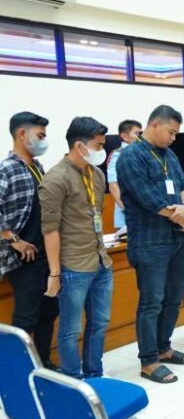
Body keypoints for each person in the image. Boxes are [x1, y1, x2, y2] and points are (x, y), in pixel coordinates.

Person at [117, 105, 184, 384]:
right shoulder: (129, 157)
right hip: (150, 241)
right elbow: (146, 197)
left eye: (176, 133)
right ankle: (148, 360)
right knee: (151, 302)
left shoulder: (169, 154)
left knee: (174, 298)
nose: (174, 137)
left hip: (176, 238)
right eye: (171, 132)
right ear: (154, 125)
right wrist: (180, 215)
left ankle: (164, 347)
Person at [39, 117, 113, 379]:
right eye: (99, 145)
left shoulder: (97, 175)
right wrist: (55, 273)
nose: (102, 150)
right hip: (73, 267)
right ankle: (74, 380)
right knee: (70, 331)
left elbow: (96, 214)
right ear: (80, 146)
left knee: (100, 324)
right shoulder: (56, 178)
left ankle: (95, 374)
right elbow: (50, 230)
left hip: (101, 262)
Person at [0, 112, 59, 369]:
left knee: (49, 312)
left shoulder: (38, 168)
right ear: (22, 134)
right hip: (24, 259)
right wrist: (13, 239)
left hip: (47, 254)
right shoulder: (7, 169)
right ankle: (21, 373)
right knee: (26, 318)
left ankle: (44, 364)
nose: (44, 141)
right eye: (40, 135)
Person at [106, 119, 142, 230]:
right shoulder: (117, 155)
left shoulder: (142, 153)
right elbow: (113, 186)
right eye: (136, 133)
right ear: (124, 136)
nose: (140, 137)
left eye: (141, 133)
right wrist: (127, 210)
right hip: (127, 217)